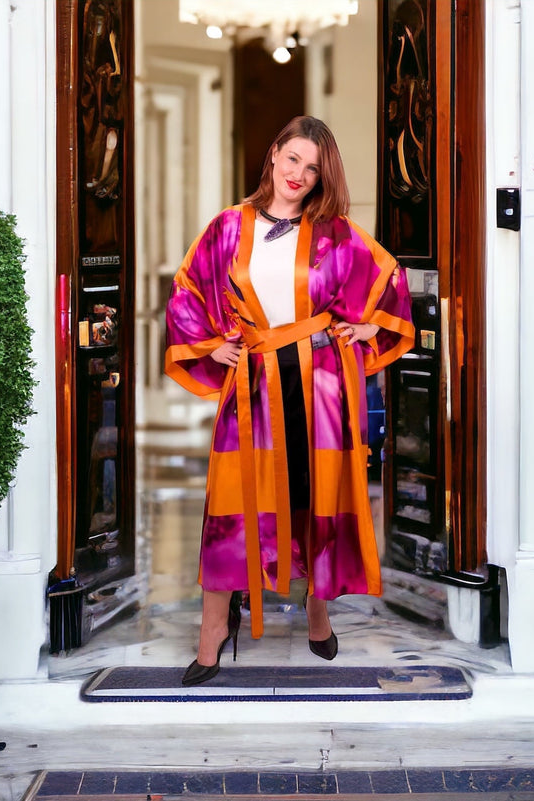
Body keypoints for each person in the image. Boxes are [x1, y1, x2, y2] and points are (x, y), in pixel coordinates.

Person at [165, 116, 414, 687]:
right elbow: (188, 292)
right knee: (231, 506)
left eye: (313, 167)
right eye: (293, 159)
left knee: (314, 498)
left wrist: (367, 328)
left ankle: (318, 608)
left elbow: (389, 281)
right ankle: (213, 630)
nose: (299, 174)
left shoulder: (336, 232)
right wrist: (214, 344)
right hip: (252, 383)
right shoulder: (229, 226)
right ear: (274, 154)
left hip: (320, 385)